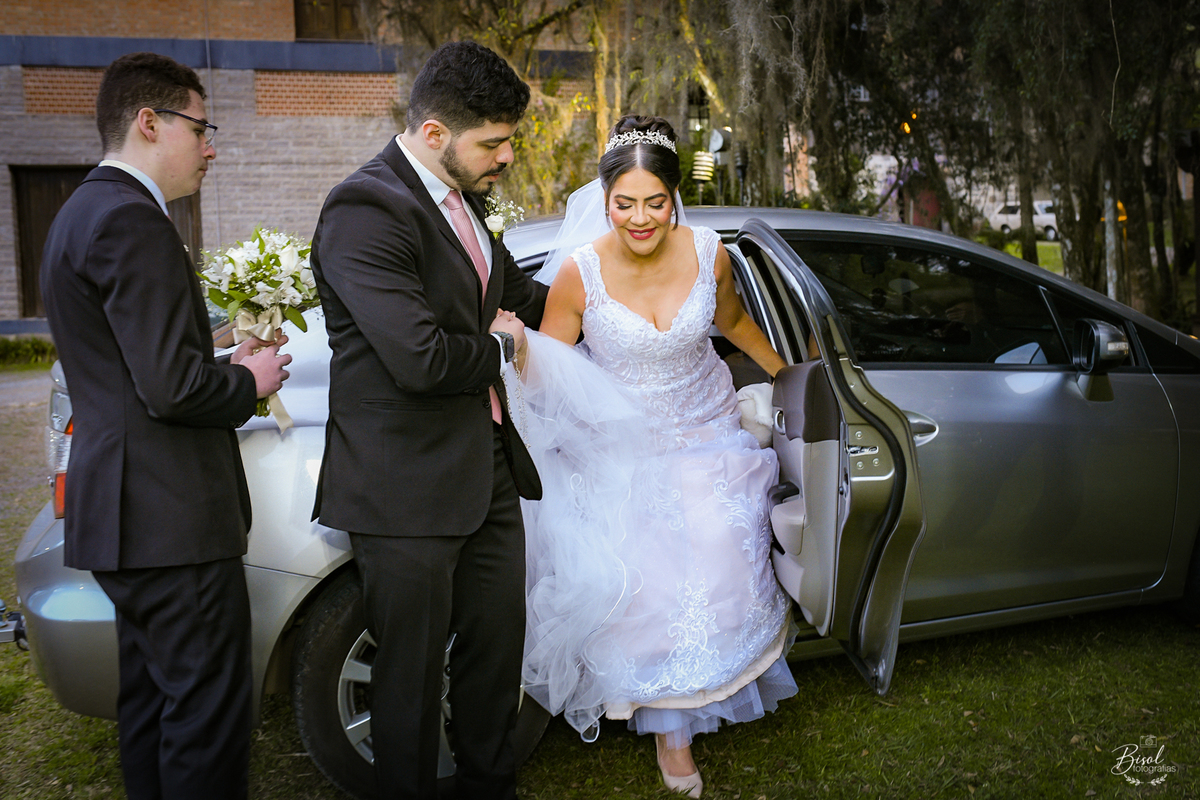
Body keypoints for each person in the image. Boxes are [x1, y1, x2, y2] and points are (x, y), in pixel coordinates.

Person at [512, 115, 798, 798]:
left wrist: (795, 374)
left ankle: (713, 682)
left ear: (676, 199)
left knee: (722, 564)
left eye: (655, 202)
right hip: (623, 448)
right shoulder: (579, 275)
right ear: (605, 200)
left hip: (708, 431)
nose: (640, 218)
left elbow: (730, 322)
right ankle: (671, 737)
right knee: (651, 591)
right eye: (624, 203)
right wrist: (515, 348)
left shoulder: (709, 252)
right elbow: (548, 367)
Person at [39, 52, 291, 800]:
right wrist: (251, 379)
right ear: (149, 123)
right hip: (169, 517)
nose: (210, 146)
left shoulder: (81, 212)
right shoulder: (130, 218)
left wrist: (215, 344)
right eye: (202, 127)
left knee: (153, 703)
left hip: (127, 516)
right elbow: (172, 389)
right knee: (207, 719)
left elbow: (128, 359)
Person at [309, 41, 548, 800]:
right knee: (408, 682)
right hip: (402, 489)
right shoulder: (365, 206)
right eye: (494, 141)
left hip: (488, 475)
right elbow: (418, 357)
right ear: (436, 132)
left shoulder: (466, 205)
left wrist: (626, 289)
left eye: (511, 139)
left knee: (494, 656)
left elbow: (527, 296)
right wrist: (502, 346)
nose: (507, 155)